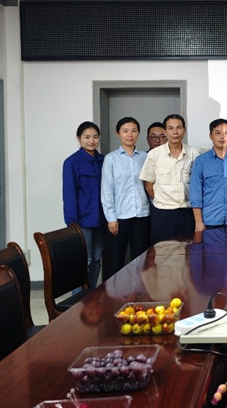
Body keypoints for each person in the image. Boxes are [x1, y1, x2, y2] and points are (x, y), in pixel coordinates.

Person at [100, 117, 151, 278]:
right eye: (125, 131)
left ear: (138, 133)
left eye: (134, 131)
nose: (130, 135)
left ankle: (138, 291)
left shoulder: (145, 157)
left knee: (141, 260)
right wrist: (111, 218)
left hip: (142, 215)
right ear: (118, 133)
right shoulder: (111, 158)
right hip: (119, 217)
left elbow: (149, 184)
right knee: (115, 260)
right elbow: (107, 190)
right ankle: (113, 292)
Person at [139, 114, 200, 243]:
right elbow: (148, 185)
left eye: (179, 127)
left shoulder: (193, 153)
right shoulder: (154, 154)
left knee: (188, 250)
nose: (175, 132)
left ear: (184, 130)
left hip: (187, 212)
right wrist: (162, 200)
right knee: (163, 251)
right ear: (165, 132)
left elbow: (199, 183)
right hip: (163, 213)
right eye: (171, 128)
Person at [62, 121, 106, 287]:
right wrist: (72, 224)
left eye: (95, 137)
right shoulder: (72, 162)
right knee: (83, 260)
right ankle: (78, 298)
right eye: (87, 137)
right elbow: (69, 195)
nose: (91, 141)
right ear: (78, 138)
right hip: (82, 221)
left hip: (101, 219)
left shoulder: (103, 160)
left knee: (96, 259)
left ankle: (91, 294)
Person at [190, 119, 227, 231]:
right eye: (218, 133)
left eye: (226, 133)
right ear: (210, 136)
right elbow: (195, 193)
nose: (222, 137)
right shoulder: (201, 161)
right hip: (210, 220)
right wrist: (198, 222)